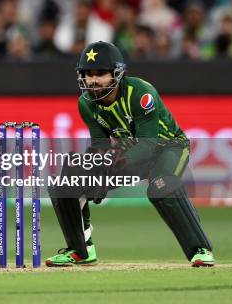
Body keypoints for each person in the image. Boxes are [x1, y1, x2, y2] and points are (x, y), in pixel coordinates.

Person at [45, 41, 214, 268]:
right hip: (128, 152)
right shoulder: (86, 104)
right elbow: (99, 145)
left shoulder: (141, 93)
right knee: (68, 179)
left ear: (117, 73)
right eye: (87, 74)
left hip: (168, 147)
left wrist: (108, 169)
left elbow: (147, 146)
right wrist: (94, 169)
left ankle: (200, 250)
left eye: (100, 74)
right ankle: (81, 251)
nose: (93, 81)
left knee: (161, 186)